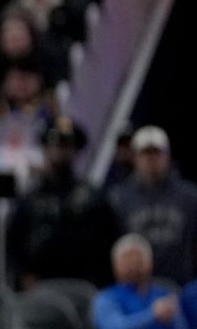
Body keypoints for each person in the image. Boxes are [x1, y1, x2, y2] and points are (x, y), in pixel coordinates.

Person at [7, 118, 117, 288]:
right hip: (39, 286)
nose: (60, 152)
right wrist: (22, 276)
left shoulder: (94, 197)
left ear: (76, 151)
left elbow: (109, 242)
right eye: (55, 145)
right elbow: (13, 244)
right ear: (45, 149)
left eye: (66, 146)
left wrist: (100, 283)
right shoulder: (29, 199)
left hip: (84, 285)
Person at [107, 126, 197, 284]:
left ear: (167, 155)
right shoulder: (118, 198)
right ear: (135, 157)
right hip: (135, 288)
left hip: (181, 284)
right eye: (145, 154)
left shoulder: (190, 197)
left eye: (156, 153)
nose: (151, 160)